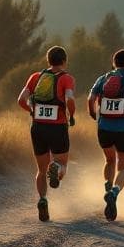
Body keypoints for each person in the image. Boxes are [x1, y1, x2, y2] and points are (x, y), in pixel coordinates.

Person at [17, 45, 76, 222]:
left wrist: (32, 111)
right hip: (57, 127)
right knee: (62, 165)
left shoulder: (35, 77)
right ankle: (56, 168)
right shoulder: (67, 79)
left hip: (38, 127)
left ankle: (43, 199)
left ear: (48, 60)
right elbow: (70, 99)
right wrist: (71, 115)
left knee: (41, 170)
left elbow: (21, 100)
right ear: (64, 61)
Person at [87, 49, 124, 221]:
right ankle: (114, 192)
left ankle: (107, 187)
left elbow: (90, 99)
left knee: (109, 160)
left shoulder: (102, 79)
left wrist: (93, 115)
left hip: (104, 129)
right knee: (123, 168)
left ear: (113, 63)